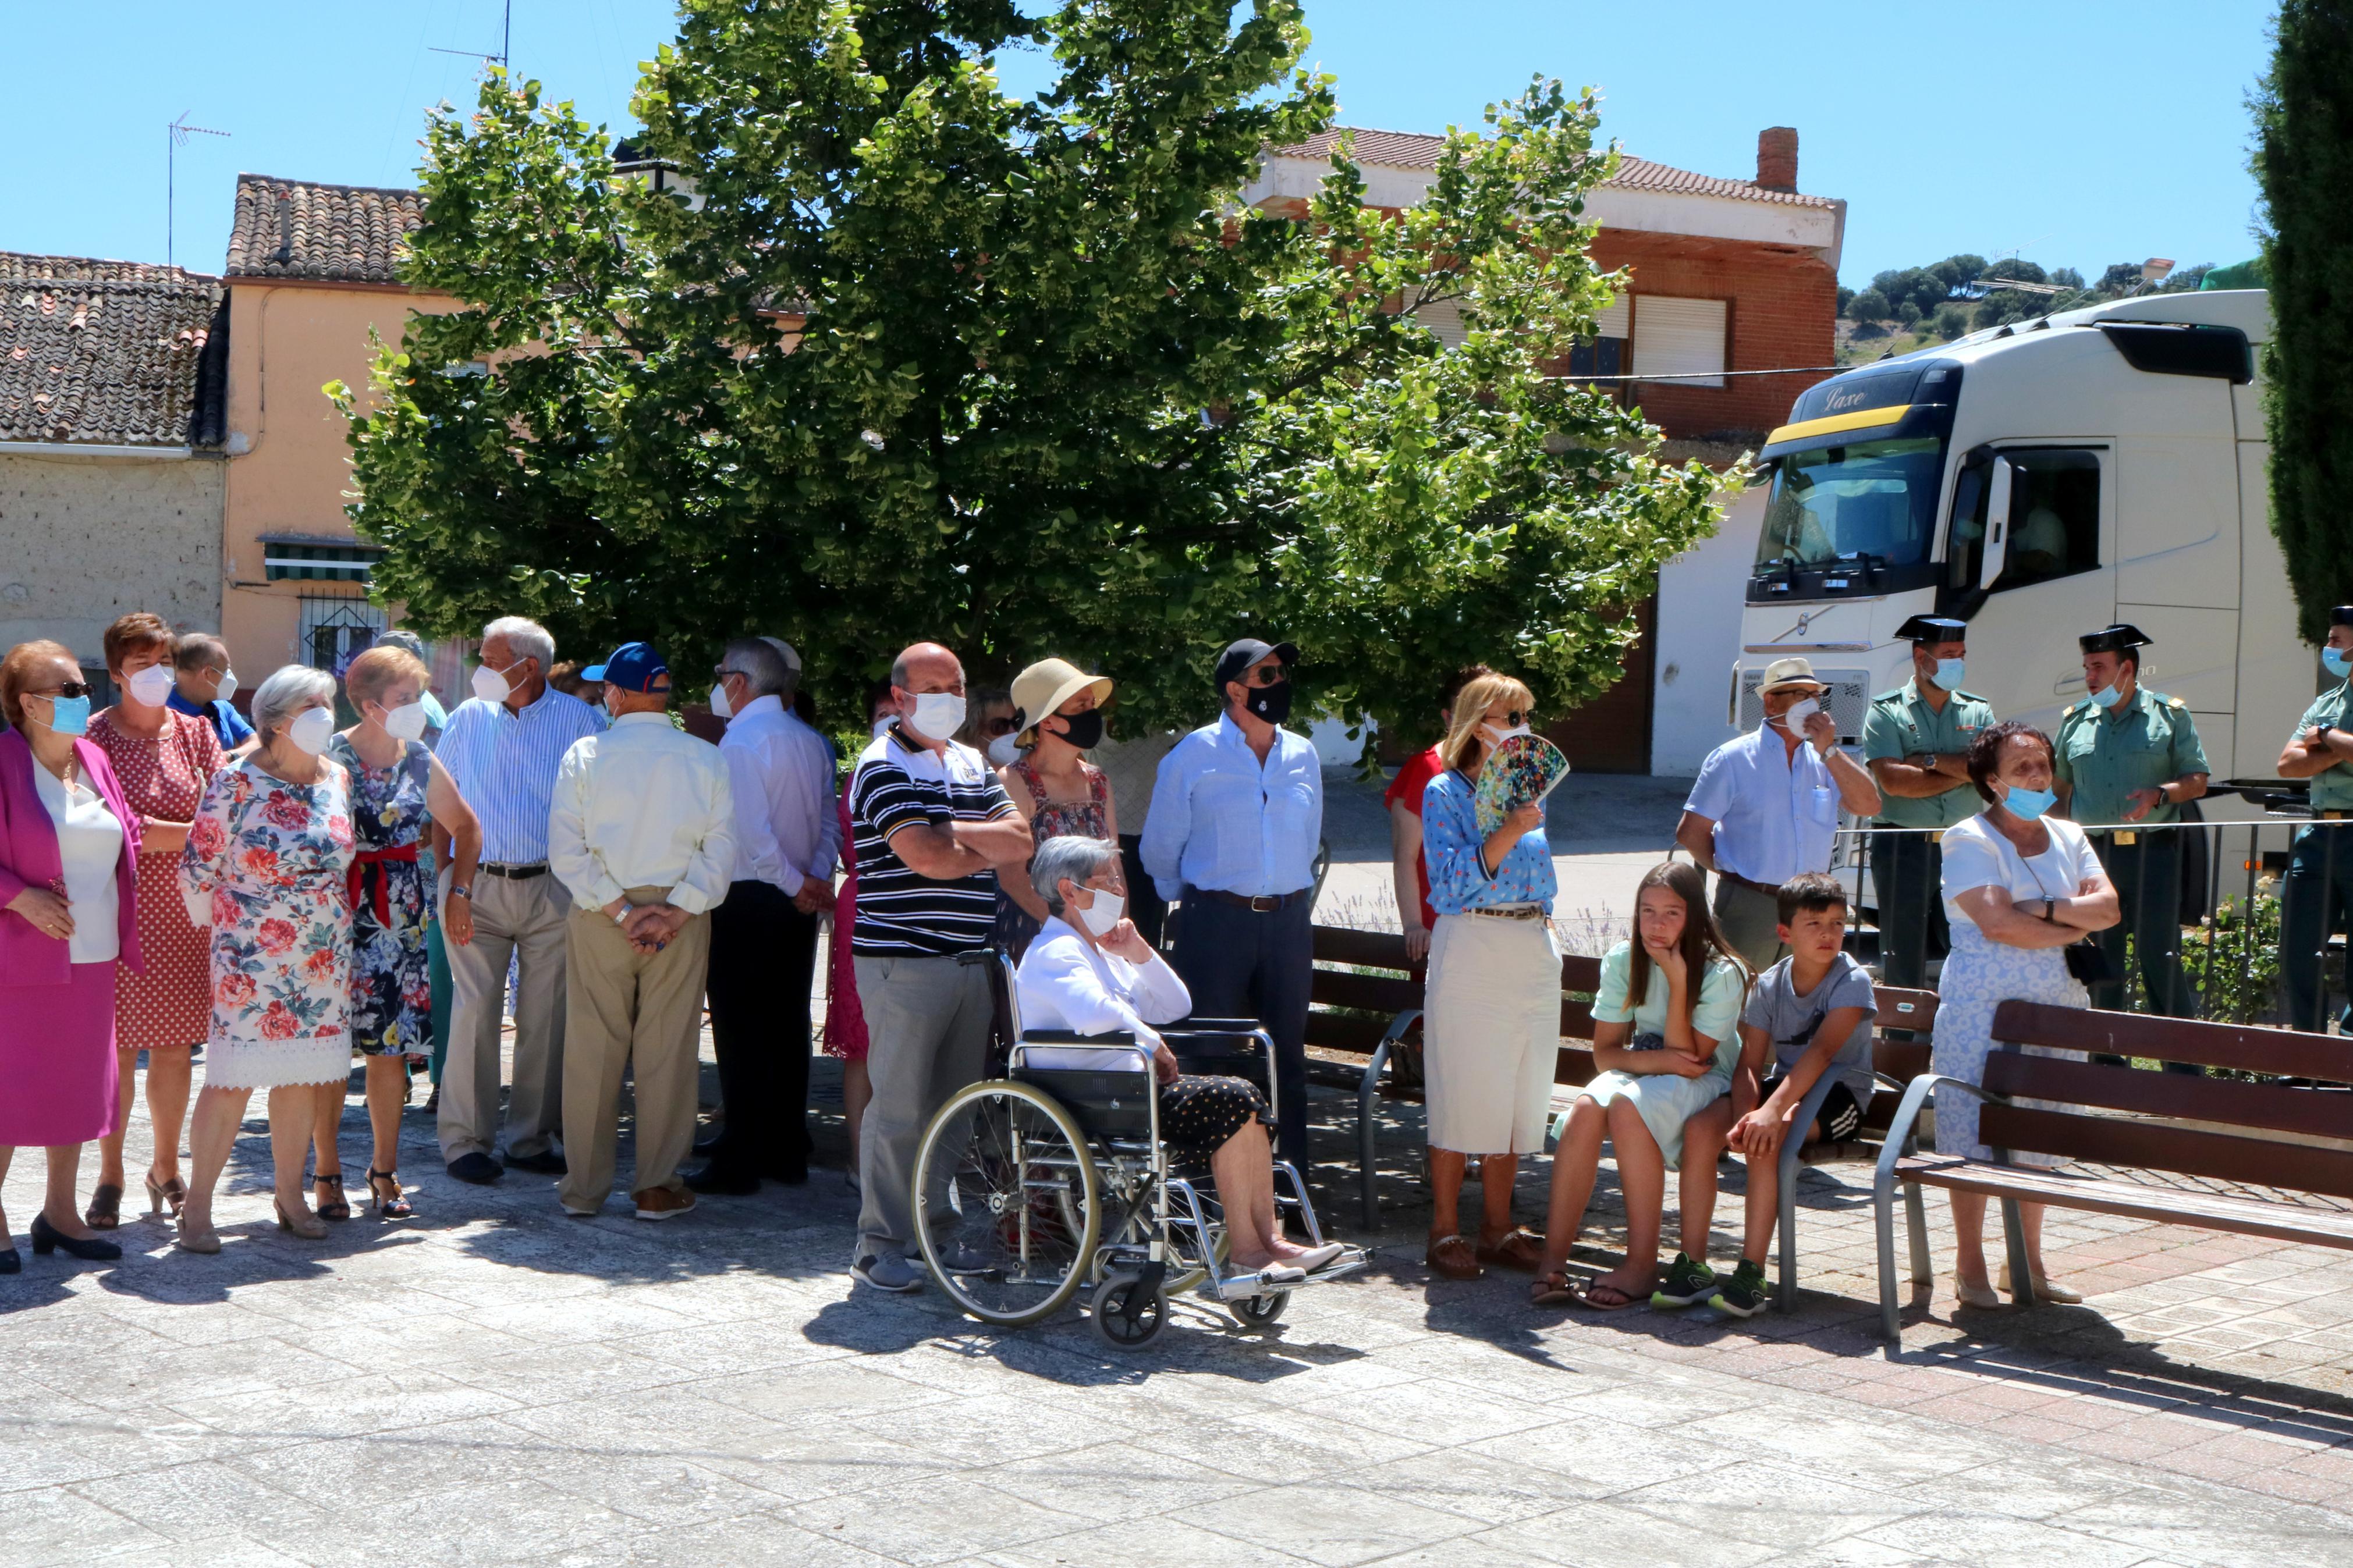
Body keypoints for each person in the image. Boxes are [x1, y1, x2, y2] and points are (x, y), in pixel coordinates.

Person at [1016, 835, 1346, 1280]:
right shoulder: (1055, 951)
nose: (1118, 889)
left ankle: (1270, 1241)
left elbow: (1176, 1006)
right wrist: (1152, 1042)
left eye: (1117, 879)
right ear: (1068, 891)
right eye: (1105, 881)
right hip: (1094, 1099)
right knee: (1232, 1096)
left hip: (1132, 1092)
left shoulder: (1103, 953)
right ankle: (1248, 1250)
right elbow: (1094, 1013)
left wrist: (1138, 953)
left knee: (1243, 1097)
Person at [846, 642, 1032, 1293]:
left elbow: (1022, 839)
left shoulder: (970, 760)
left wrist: (955, 829)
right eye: (932, 687)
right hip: (902, 961)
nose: (948, 698)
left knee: (953, 1107)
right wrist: (970, 833)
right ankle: (879, 1245)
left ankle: (937, 1231)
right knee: (897, 1109)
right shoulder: (879, 765)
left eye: (954, 686)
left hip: (967, 960)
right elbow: (926, 857)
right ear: (899, 697)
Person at [544, 643, 736, 1220]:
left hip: (603, 913)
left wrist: (625, 913)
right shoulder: (706, 758)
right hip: (681, 917)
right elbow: (721, 849)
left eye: (607, 688)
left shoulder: (585, 753)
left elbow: (567, 850)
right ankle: (657, 1184)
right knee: (668, 1049)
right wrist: (674, 911)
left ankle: (583, 1187)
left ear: (618, 694)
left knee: (592, 1048)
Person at [1932, 719, 2118, 1307]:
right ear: (1992, 780)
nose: (2039, 775)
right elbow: (1994, 923)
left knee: (2039, 1130)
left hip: (2057, 1005)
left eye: (2042, 763)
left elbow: (2109, 909)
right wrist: (2068, 920)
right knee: (1973, 1133)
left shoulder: (2069, 834)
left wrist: (2042, 906)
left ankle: (2027, 1263)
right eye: (2023, 767)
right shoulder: (1968, 839)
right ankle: (1969, 1264)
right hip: (1981, 1010)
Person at [176, 666, 358, 1251]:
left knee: (301, 1076)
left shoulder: (338, 778)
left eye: (328, 702)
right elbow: (197, 867)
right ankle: (197, 1207)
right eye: (313, 705)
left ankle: (289, 1195)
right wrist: (234, 932)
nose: (325, 714)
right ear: (277, 720)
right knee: (231, 1081)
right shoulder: (235, 781)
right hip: (251, 954)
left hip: (322, 955)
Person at [431, 616, 604, 1183]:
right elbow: (440, 805)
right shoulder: (465, 717)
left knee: (546, 1016)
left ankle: (530, 1137)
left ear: (526, 666)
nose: (479, 668)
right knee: (474, 1010)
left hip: (552, 886)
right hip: (473, 885)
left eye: (489, 657)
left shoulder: (583, 721)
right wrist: (448, 881)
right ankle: (465, 1142)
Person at [1141, 638, 1323, 1172]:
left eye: (1281, 673)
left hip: (1288, 923)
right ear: (1234, 690)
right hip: (1215, 922)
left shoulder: (1303, 754)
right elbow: (1159, 848)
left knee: (1286, 1057)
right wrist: (1201, 901)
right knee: (1211, 1055)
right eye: (1265, 675)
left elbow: (1309, 839)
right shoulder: (1192, 755)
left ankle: (1290, 1191)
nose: (1279, 683)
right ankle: (1206, 1193)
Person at [1529, 862, 1747, 1311]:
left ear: (1695, 917)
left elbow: (1692, 1059)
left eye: (1672, 912)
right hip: (1650, 1069)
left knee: (1628, 1105)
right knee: (1588, 1105)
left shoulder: (1722, 971)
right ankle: (1553, 1260)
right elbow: (1606, 1054)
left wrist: (1677, 976)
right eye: (1647, 911)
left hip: (1710, 1080)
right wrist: (1657, 1060)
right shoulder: (1623, 958)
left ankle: (1642, 1264)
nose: (1657, 924)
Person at [321, 646, 482, 1220]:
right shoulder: (329, 753)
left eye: (417, 697)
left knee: (388, 1053)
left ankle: (384, 1170)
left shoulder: (418, 757)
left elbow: (466, 826)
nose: (416, 708)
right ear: (369, 705)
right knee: (331, 1054)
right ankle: (327, 1170)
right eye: (405, 699)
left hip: (400, 915)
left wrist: (455, 891)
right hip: (335, 913)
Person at [0, 640, 141, 1268]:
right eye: (71, 689)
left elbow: (125, 833)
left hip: (93, 952)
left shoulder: (93, 757)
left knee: (78, 1086)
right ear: (29, 703)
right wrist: (17, 897)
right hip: (21, 957)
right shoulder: (2, 761)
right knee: (10, 1089)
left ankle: (60, 1212)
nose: (87, 698)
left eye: (85, 686)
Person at [86, 613, 226, 1229]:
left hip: (190, 916)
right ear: (116, 672)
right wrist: (191, 835)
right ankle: (110, 1173)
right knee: (113, 1050)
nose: (156, 674)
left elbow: (226, 813)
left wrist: (186, 837)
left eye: (164, 663)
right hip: (116, 910)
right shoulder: (93, 737)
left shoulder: (196, 732)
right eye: (142, 664)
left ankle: (165, 1168)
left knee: (174, 1051)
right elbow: (114, 830)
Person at [1415, 671, 1556, 1281]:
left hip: (1528, 942)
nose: (1520, 728)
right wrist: (1508, 830)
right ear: (1476, 724)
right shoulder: (1445, 791)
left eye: (1524, 716)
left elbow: (1535, 871)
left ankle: (1497, 1224)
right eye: (1508, 716)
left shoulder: (1529, 789)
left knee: (1518, 1091)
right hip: (1471, 941)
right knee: (1461, 1088)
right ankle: (1444, 1226)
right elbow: (1447, 884)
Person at [690, 637, 839, 1194]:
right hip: (795, 894)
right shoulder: (810, 739)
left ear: (738, 681)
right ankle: (783, 1146)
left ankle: (741, 1156)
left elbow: (750, 835)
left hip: (752, 896)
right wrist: (813, 878)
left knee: (741, 1026)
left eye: (720, 674)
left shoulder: (741, 743)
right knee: (784, 1023)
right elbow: (827, 820)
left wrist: (800, 881)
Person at [1706, 872, 1879, 1317]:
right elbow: (1749, 1063)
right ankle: (1692, 1262)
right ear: (1784, 932)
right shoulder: (1768, 983)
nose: (1828, 934)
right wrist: (1746, 1117)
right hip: (1788, 1089)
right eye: (1814, 923)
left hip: (1841, 1097)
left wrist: (1770, 1113)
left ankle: (1751, 1271)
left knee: (1773, 1135)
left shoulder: (1852, 980)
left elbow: (1822, 1053)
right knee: (1698, 1126)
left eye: (1838, 923)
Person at [2054, 624, 2208, 1044]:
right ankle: (2107, 1064)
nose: (2089, 676)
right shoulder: (2074, 722)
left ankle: (2180, 1067)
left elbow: (2196, 780)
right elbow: (2057, 793)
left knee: (2161, 958)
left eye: (2099, 667)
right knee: (2101, 964)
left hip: (2152, 855)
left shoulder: (2169, 715)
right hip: (2092, 857)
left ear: (2126, 668)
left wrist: (2160, 794)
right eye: (2086, 667)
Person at [1678, 656, 1880, 972]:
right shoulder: (1733, 759)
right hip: (1751, 903)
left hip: (1810, 907)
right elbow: (1691, 832)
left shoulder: (1823, 760)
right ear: (1771, 703)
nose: (1812, 705)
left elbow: (1870, 805)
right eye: (1801, 695)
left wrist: (1829, 751)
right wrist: (1730, 872)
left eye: (1816, 696)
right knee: (1739, 998)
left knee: (1798, 1004)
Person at [1860, 616, 1993, 989]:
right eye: (1949, 654)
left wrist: (1928, 761)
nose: (1958, 663)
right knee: (1903, 953)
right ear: (1922, 657)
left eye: (1962, 655)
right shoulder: (1887, 711)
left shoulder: (1978, 711)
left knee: (1970, 945)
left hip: (1964, 844)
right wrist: (1961, 770)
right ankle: (1904, 1041)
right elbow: (1894, 782)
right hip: (1904, 846)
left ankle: (1963, 1033)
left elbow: (1987, 771)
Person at [820, 684, 897, 1188]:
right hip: (864, 901)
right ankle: (859, 1160)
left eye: (898, 713)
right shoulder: (858, 775)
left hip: (916, 909)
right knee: (862, 1045)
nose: (890, 722)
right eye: (881, 714)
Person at [993, 657, 1117, 961]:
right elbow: (1011, 876)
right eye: (1080, 707)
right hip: (1037, 936)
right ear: (1046, 721)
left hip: (1096, 936)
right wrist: (1071, 932)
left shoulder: (1099, 781)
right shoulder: (1013, 782)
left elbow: (1115, 867)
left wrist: (1116, 929)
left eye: (1091, 705)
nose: (1091, 715)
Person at [1386, 664, 1496, 963]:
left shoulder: (1509, 772)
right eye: (1468, 710)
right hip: (1440, 931)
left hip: (1499, 930)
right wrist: (1413, 925)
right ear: (1447, 718)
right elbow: (1405, 857)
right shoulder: (1425, 769)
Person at [2276, 606, 2353, 1032]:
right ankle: (2308, 1046)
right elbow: (2287, 764)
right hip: (2318, 833)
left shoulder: (2323, 719)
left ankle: (2347, 1047)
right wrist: (2340, 749)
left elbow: (2310, 751)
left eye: (2335, 640)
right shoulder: (2327, 702)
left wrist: (2323, 739)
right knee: (2297, 945)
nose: (2327, 648)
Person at [1092, 724, 1178, 949]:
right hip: (1104, 833)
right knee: (1102, 922)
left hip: (1152, 830)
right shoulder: (1095, 712)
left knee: (1147, 927)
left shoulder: (1170, 714)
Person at [166, 632, 257, 755]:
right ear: (207, 673)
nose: (229, 675)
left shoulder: (221, 706)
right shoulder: (163, 712)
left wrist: (228, 757)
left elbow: (255, 742)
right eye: (225, 669)